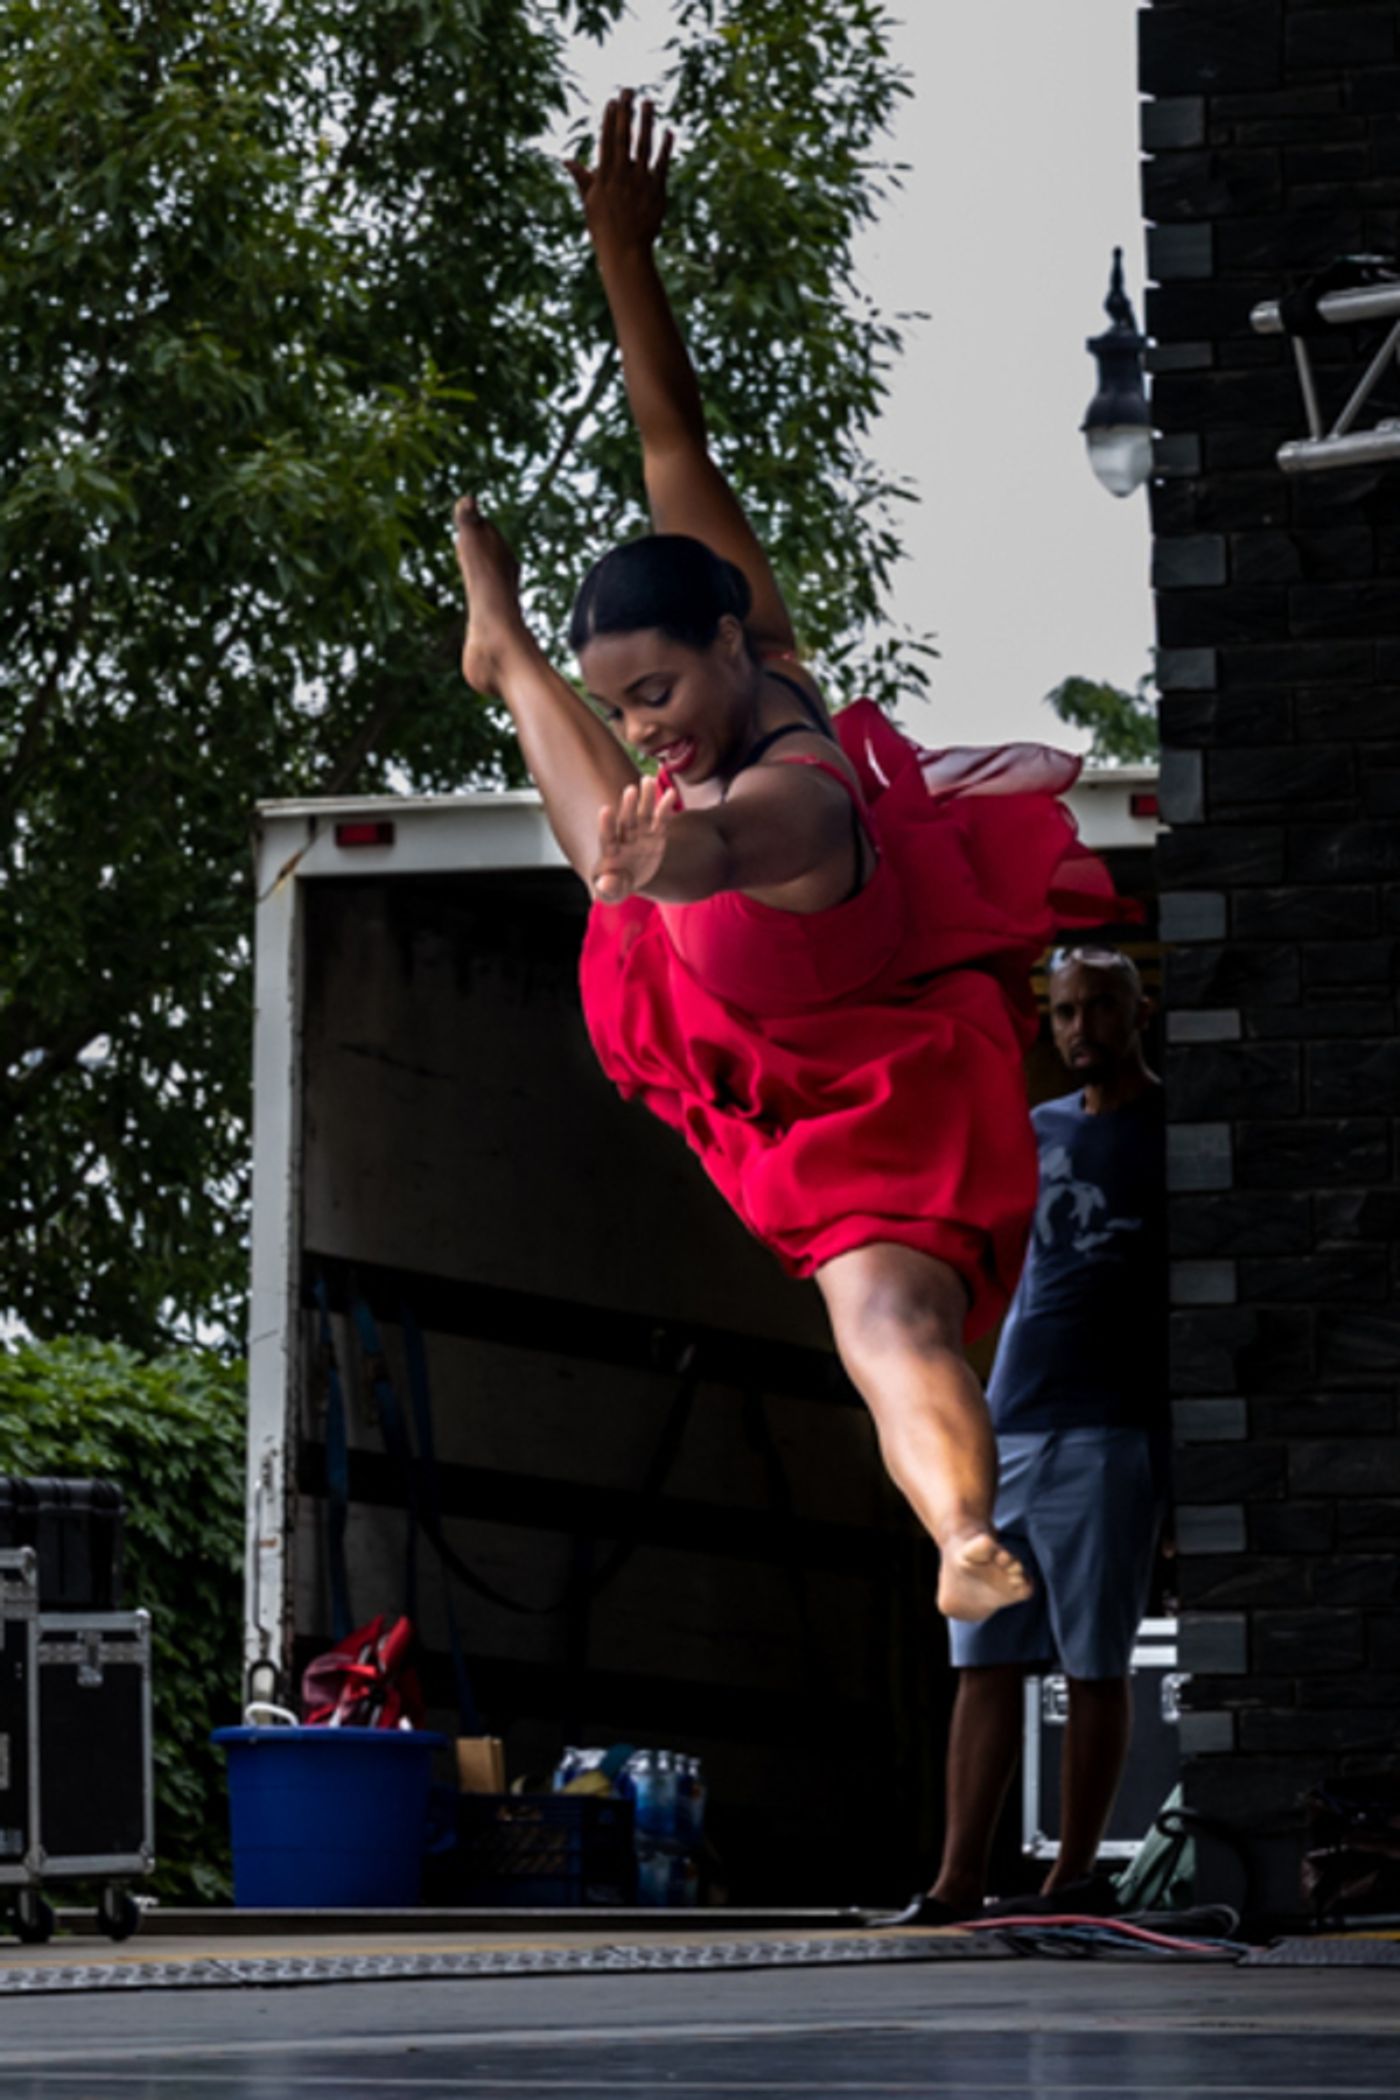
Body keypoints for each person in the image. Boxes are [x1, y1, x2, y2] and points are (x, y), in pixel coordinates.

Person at [452, 93, 1123, 1625]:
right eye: (625, 704)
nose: (655, 730)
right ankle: (510, 660)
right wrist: (623, 250)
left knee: (890, 1316)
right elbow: (669, 430)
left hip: (868, 1085)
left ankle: (963, 1533)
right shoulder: (732, 677)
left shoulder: (797, 796)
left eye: (665, 695)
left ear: (736, 639)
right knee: (603, 835)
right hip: (711, 997)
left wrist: (660, 854)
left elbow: (713, 853)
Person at [906, 946, 1167, 1923]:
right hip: (1002, 1425)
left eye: (1098, 1007)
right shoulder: (1029, 1132)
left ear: (1137, 1012)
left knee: (1092, 1661)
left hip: (1110, 1430)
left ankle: (1068, 1881)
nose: (1078, 1028)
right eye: (1062, 1011)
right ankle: (955, 1882)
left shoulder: (1173, 1130)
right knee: (979, 1660)